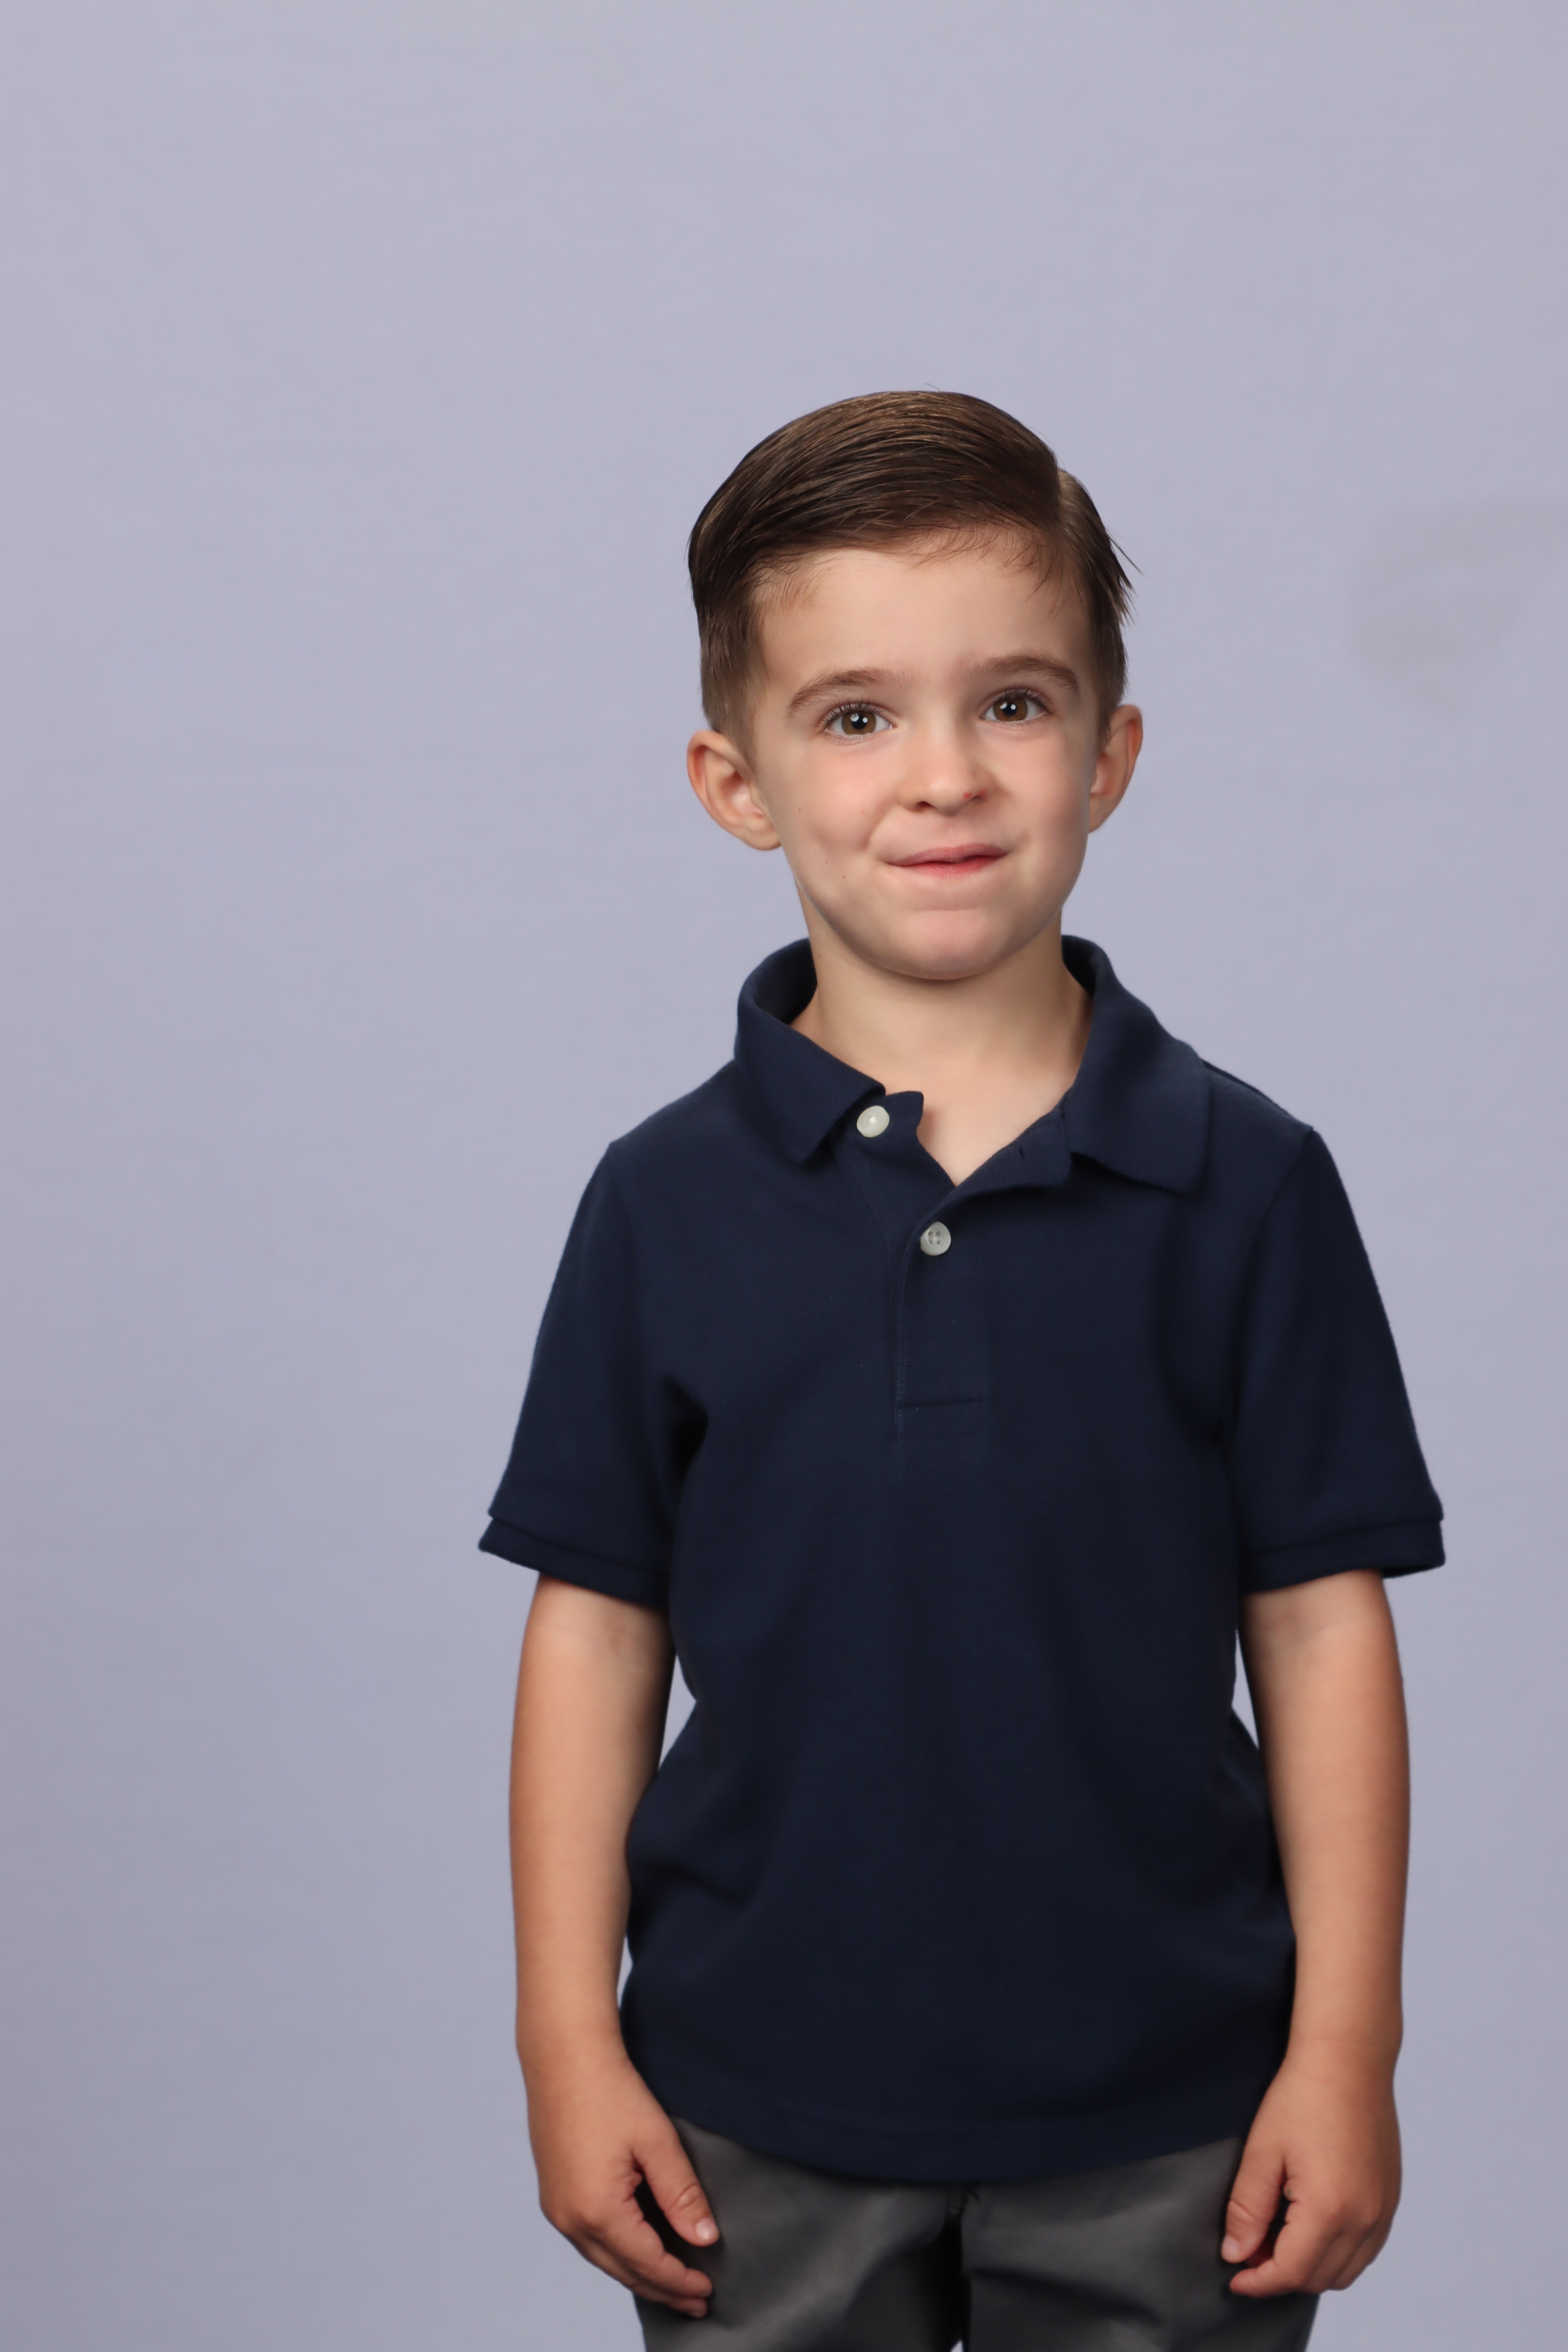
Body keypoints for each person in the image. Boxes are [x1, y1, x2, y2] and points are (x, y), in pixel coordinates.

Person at [482, 392, 1443, 2349]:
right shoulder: (661, 1202)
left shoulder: (1246, 1184)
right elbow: (595, 1634)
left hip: (1176, 2109)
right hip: (749, 2099)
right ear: (735, 780)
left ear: (1108, 752)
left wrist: (1344, 2050)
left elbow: (1319, 1628)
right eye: (855, 716)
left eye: (1011, 702)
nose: (945, 776)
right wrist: (565, 2042)